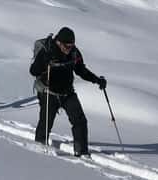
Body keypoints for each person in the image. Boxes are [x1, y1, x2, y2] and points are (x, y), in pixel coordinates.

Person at [30, 26, 106, 157]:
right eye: (67, 45)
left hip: (67, 92)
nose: (69, 48)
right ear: (59, 42)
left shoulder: (74, 52)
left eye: (71, 45)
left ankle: (81, 152)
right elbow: (33, 71)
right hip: (49, 92)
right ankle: (39, 150)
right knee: (45, 123)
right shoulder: (47, 50)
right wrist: (44, 61)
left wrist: (97, 80)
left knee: (80, 121)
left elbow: (81, 70)